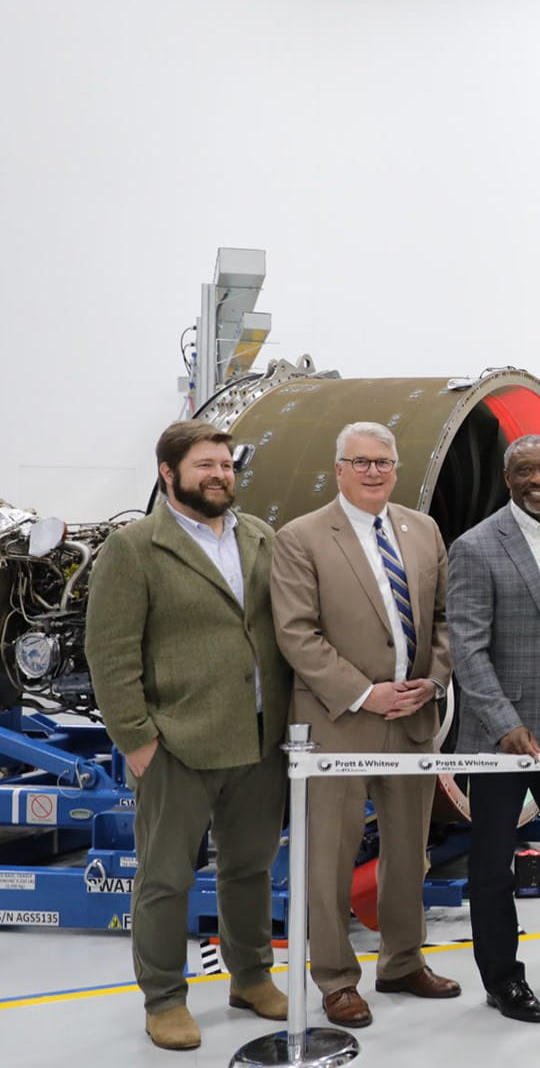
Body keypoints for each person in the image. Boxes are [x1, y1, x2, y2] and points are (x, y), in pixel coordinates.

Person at [84, 421, 293, 1051]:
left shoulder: (260, 537)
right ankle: (165, 998)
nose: (219, 475)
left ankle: (251, 977)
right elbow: (110, 652)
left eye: (226, 465)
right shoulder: (135, 548)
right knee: (166, 876)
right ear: (167, 473)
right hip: (176, 741)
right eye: (205, 465)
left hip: (259, 738)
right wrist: (137, 738)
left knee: (251, 869)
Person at [271, 421, 460, 1029]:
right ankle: (334, 978)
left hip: (413, 718)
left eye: (384, 462)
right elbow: (297, 633)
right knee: (329, 855)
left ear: (396, 468)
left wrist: (431, 683)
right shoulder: (301, 537)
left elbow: (444, 620)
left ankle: (402, 961)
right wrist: (364, 693)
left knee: (410, 853)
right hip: (337, 722)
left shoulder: (423, 529)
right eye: (361, 462)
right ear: (339, 468)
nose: (374, 471)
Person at [447, 435, 540, 1023]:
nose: (537, 480)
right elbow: (468, 649)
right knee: (492, 862)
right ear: (508, 479)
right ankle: (502, 977)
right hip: (504, 734)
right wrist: (506, 722)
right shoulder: (476, 547)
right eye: (525, 470)